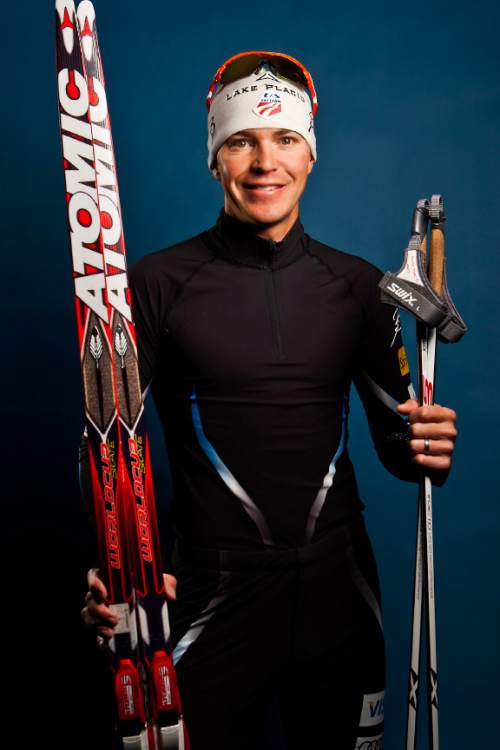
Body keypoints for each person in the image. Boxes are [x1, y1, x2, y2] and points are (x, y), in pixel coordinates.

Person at [81, 51, 458, 749]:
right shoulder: (155, 286)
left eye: (286, 139)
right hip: (209, 597)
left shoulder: (360, 289)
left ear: (310, 155)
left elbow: (402, 453)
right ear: (215, 158)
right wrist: (114, 566)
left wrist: (430, 445)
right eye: (241, 142)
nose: (265, 162)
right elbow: (107, 444)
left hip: (341, 593)